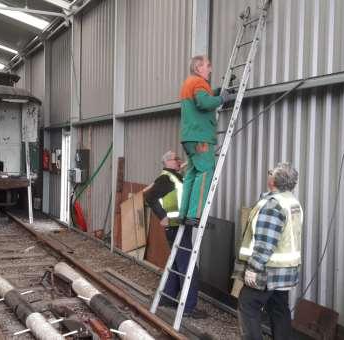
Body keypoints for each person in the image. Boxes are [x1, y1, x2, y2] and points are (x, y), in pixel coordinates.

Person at [235, 163, 303, 340]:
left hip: (267, 270)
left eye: (270, 172)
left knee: (247, 305)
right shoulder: (292, 201)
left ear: (273, 181)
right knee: (279, 308)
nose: (268, 174)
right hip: (285, 271)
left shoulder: (274, 205)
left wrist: (253, 268)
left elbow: (265, 241)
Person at [144, 150, 206, 319]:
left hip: (180, 226)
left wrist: (184, 167)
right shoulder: (166, 179)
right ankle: (188, 307)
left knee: (179, 264)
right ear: (168, 162)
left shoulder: (176, 177)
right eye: (176, 159)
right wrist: (162, 216)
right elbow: (150, 197)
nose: (179, 160)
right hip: (175, 227)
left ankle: (167, 299)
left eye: (179, 158)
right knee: (189, 267)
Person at [179, 55, 228, 227]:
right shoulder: (199, 83)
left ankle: (184, 213)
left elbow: (200, 98)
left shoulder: (189, 83)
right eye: (208, 65)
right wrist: (221, 98)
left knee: (191, 175)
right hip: (201, 138)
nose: (210, 69)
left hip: (189, 137)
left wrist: (214, 93)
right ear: (198, 68)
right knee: (205, 172)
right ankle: (194, 215)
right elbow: (203, 103)